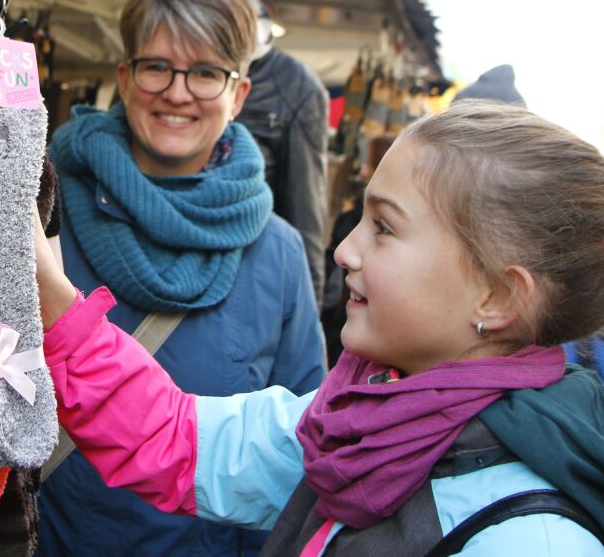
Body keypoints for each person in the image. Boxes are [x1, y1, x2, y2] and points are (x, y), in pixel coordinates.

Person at [34, 100, 604, 555]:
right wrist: (57, 303)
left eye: (384, 227)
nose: (343, 250)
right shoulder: (355, 423)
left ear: (499, 295)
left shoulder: (529, 539)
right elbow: (174, 438)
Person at [36, 0, 325, 556]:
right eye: (157, 67)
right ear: (124, 78)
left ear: (238, 93)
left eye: (205, 72)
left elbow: (301, 452)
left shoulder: (277, 253)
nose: (177, 92)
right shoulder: (41, 212)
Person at [157, 0, 329, 304]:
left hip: (242, 293)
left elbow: (306, 225)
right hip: (143, 276)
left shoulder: (294, 87)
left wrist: (301, 319)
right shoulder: (149, 70)